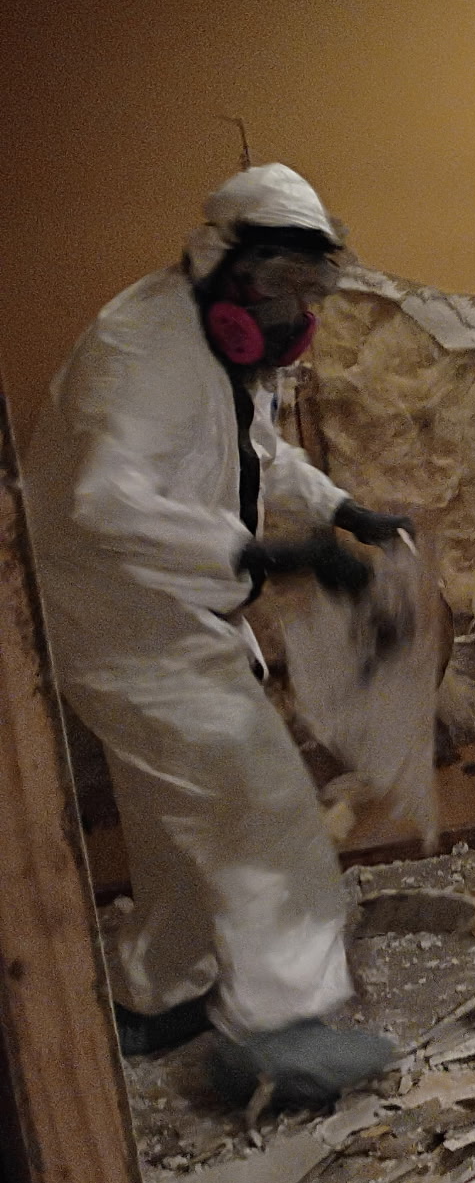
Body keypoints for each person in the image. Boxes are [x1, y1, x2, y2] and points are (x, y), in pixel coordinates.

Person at [24, 163, 415, 1107]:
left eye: (308, 288)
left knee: (174, 818)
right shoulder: (143, 347)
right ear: (219, 263)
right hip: (121, 614)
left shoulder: (229, 350)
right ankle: (278, 1027)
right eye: (275, 283)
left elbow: (255, 453)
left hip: (166, 605)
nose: (290, 311)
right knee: (259, 799)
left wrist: (342, 506)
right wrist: (272, 556)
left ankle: (160, 993)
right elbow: (102, 500)